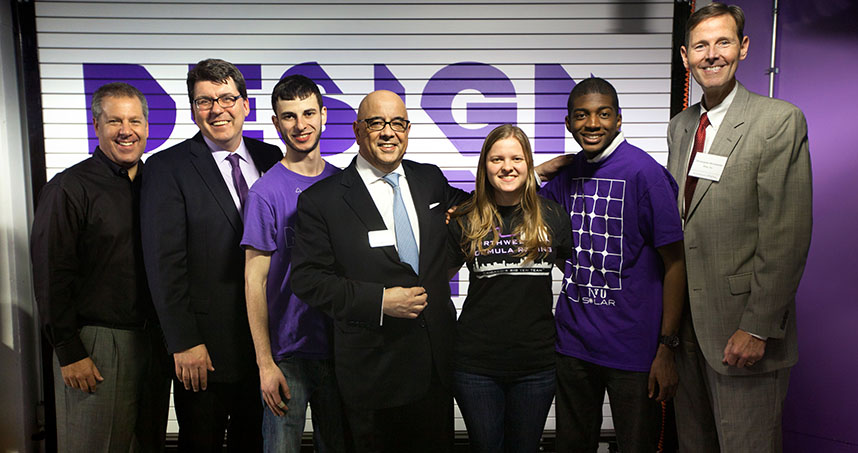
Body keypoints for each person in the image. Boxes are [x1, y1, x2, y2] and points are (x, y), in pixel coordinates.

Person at [667, 4, 812, 452]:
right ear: (685, 56)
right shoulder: (681, 126)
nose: (712, 54)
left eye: (723, 42)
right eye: (701, 45)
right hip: (686, 331)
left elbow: (785, 234)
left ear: (744, 48)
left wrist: (757, 327)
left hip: (741, 333)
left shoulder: (778, 122)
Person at [290, 90, 469, 453]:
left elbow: (476, 207)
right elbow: (307, 279)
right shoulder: (321, 201)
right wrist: (380, 301)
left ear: (407, 129)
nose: (388, 132)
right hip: (372, 372)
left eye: (397, 123)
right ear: (358, 130)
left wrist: (531, 171)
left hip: (435, 368)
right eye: (377, 123)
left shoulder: (430, 180)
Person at [141, 58, 282, 451]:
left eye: (226, 98)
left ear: (245, 104)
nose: (217, 109)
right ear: (192, 109)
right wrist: (183, 341)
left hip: (268, 348)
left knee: (256, 443)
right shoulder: (167, 167)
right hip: (203, 352)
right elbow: (163, 263)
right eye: (205, 101)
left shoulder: (272, 158)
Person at [540, 77, 686, 452]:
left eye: (603, 114)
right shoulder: (567, 174)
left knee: (636, 445)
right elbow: (520, 209)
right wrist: (540, 171)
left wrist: (667, 347)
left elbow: (675, 264)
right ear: (569, 122)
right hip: (572, 343)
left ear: (618, 119)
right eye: (582, 115)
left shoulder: (646, 174)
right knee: (572, 445)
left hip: (633, 348)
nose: (592, 124)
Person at [31, 82, 170, 452]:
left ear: (146, 127)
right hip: (98, 343)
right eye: (115, 121)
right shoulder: (69, 188)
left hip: (154, 344)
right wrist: (69, 349)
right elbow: (50, 274)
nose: (127, 130)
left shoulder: (156, 184)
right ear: (96, 126)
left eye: (135, 120)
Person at [447, 124, 572, 452]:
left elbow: (577, 275)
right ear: (484, 166)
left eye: (516, 158)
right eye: (496, 159)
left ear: (528, 163)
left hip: (537, 365)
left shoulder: (553, 217)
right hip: (476, 366)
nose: (506, 166)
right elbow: (434, 280)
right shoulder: (465, 220)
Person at [242, 74, 345, 452]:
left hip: (340, 350)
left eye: (308, 113)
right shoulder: (265, 193)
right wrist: (265, 363)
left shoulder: (343, 183)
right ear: (276, 123)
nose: (300, 125)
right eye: (289, 116)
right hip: (288, 355)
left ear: (323, 114)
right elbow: (254, 281)